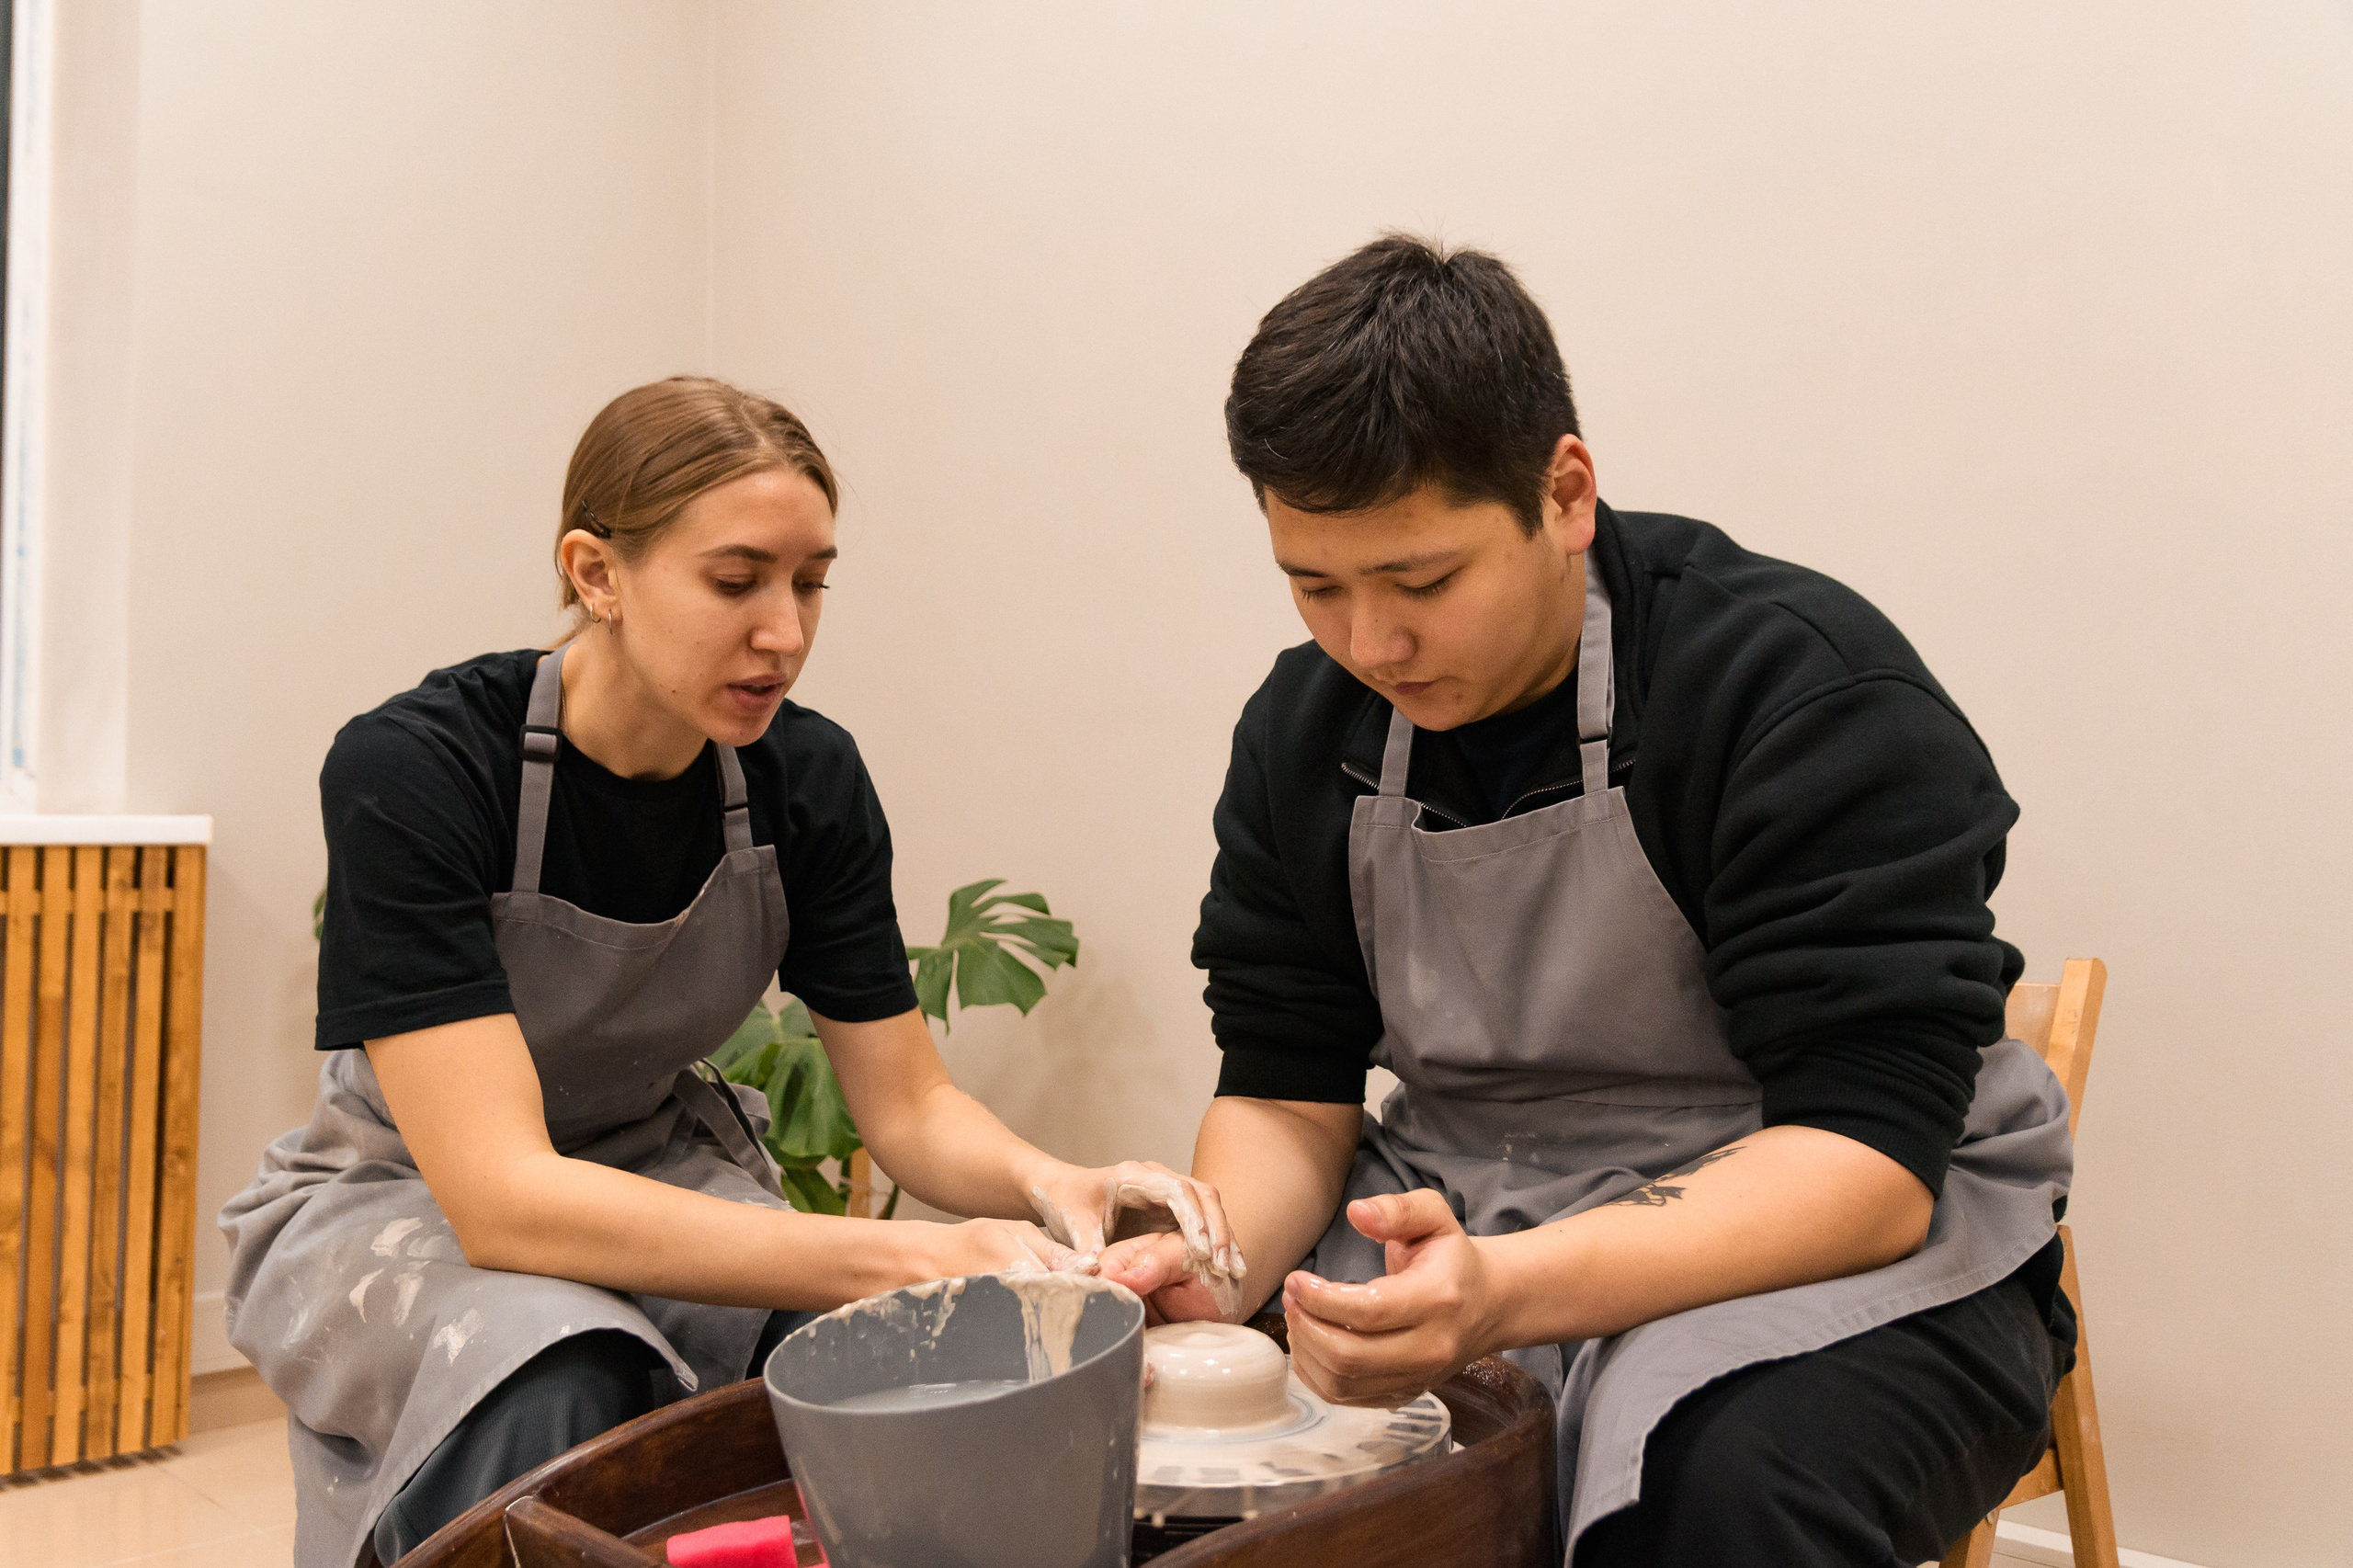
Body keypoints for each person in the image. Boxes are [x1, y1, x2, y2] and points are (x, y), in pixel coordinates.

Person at [1099, 238, 2075, 1566]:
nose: (1370, 644)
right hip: (1458, 1209)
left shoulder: (1797, 692)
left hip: (1825, 1233)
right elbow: (1286, 1087)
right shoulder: (1305, 729)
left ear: (1564, 492)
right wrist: (1212, 1269)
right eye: (1314, 585)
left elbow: (1866, 1164)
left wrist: (1504, 1289)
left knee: (1715, 1503)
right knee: (1185, 1491)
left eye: (1423, 582)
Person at [222, 377, 1233, 1568]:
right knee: (561, 1367)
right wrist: (911, 1251)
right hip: (409, 1192)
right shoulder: (422, 768)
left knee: (857, 1346)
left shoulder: (803, 780)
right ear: (596, 572)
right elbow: (503, 1193)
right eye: (737, 580)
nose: (786, 633)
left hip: (655, 1161)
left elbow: (909, 1107)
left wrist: (1052, 1180)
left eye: (811, 583)